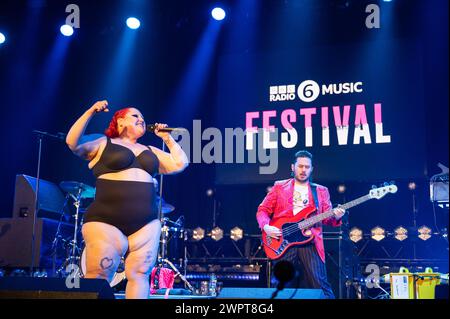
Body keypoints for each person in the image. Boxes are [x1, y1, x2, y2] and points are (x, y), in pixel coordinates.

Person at [66, 100, 188, 299]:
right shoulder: (103, 142)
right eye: (135, 116)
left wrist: (167, 139)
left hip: (145, 223)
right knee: (99, 274)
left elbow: (180, 164)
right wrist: (90, 112)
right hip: (106, 220)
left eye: (142, 117)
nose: (142, 119)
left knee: (140, 275)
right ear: (120, 122)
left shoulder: (150, 150)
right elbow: (73, 142)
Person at [256, 150, 345, 299]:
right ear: (293, 167)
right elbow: (262, 210)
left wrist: (336, 217)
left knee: (320, 285)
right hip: (282, 241)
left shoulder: (321, 191)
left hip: (309, 243)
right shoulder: (279, 187)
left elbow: (327, 218)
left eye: (307, 167)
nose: (303, 170)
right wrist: (266, 226)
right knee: (281, 286)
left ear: (312, 169)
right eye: (300, 166)